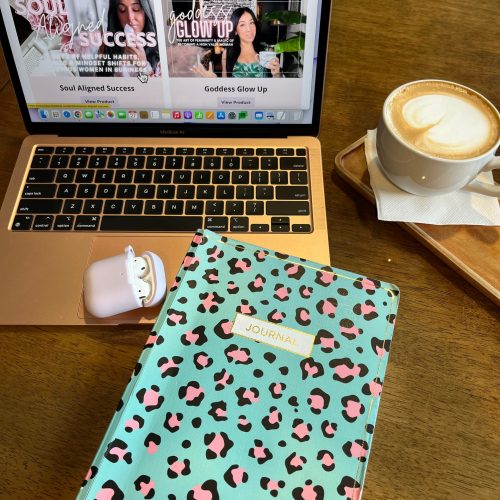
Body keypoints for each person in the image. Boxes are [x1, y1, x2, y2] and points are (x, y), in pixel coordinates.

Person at [192, 7, 281, 78]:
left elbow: (275, 89)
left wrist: (277, 74)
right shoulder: (227, 53)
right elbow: (225, 88)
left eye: (251, 23)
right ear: (235, 31)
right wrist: (214, 81)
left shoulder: (266, 50)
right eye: (242, 24)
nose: (249, 29)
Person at [102, 0, 160, 77]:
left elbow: (159, 88)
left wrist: (144, 66)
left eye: (136, 9)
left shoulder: (163, 52)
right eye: (122, 10)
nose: (130, 17)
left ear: (146, 11)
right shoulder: (106, 48)